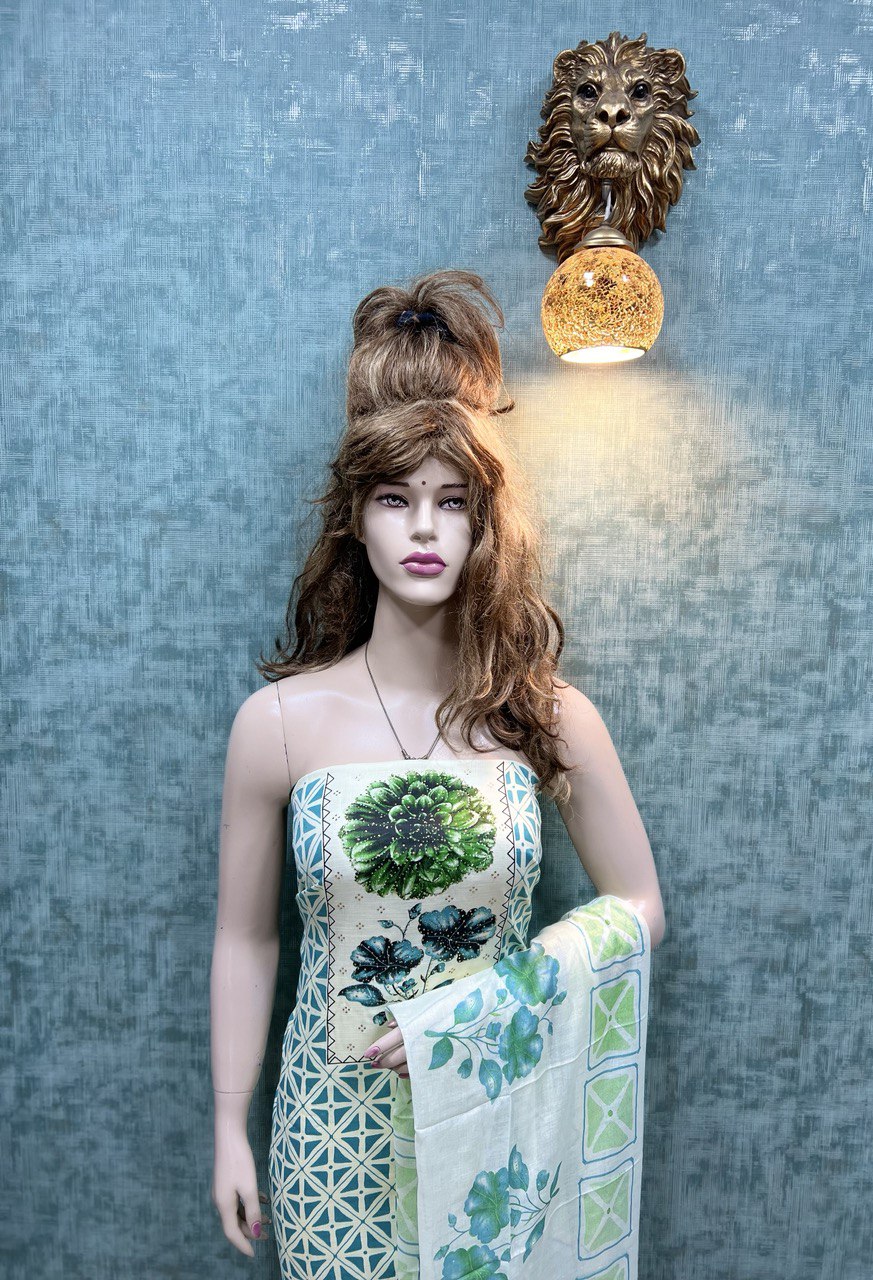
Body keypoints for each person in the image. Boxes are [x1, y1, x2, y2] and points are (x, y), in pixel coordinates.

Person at [209, 269, 666, 1276]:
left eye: (451, 501)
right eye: (395, 498)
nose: (424, 528)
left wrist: (481, 1014)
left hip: (494, 1124)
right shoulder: (277, 725)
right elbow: (245, 939)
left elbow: (639, 905)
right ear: (355, 517)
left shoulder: (545, 716)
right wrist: (229, 1126)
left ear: (483, 520)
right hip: (331, 1134)